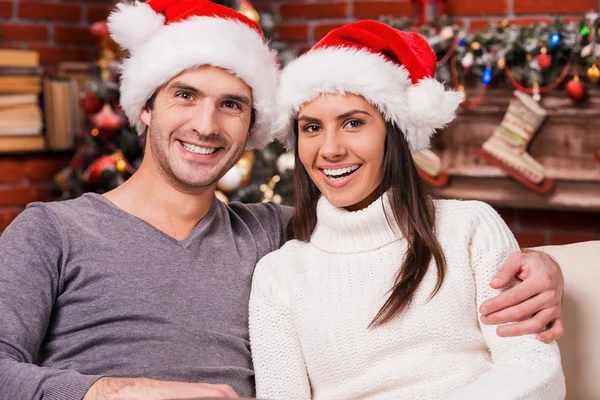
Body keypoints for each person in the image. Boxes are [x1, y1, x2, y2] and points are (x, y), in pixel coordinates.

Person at [0, 1, 563, 399]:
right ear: (145, 107)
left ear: (253, 128)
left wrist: (546, 266)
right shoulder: (52, 230)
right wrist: (109, 392)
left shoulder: (278, 234)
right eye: (185, 95)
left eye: (231, 105)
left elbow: (378, 234)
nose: (205, 124)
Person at [249, 21, 566, 400]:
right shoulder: (279, 274)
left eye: (353, 123)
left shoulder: (469, 227)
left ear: (393, 133)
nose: (330, 149)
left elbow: (535, 370)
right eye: (312, 127)